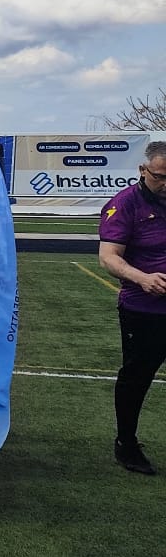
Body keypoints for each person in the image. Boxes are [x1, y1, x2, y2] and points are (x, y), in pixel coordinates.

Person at [100, 141, 166, 476]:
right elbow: (109, 256)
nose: (165, 184)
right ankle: (126, 443)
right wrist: (142, 278)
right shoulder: (125, 204)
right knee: (137, 377)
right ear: (143, 171)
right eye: (160, 177)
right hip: (145, 309)